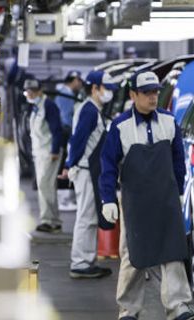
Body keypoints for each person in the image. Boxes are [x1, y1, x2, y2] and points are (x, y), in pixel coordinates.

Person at [98, 70, 194, 320]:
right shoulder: (120, 126)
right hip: (134, 200)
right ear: (133, 95)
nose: (153, 97)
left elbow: (178, 159)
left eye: (155, 92)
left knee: (173, 252)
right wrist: (108, 199)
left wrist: (178, 189)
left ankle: (178, 306)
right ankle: (128, 309)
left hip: (166, 198)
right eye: (146, 93)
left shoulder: (168, 122)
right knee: (133, 255)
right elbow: (107, 165)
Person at [64, 70, 117, 279]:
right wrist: (70, 164)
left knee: (89, 217)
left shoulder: (93, 109)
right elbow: (78, 141)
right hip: (85, 170)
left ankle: (87, 260)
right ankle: (80, 263)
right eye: (107, 89)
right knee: (86, 218)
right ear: (94, 88)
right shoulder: (89, 111)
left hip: (89, 170)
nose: (109, 94)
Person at [23, 78, 64, 233]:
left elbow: (57, 130)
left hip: (49, 153)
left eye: (33, 92)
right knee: (45, 186)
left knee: (44, 185)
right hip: (40, 153)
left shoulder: (48, 106)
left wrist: (54, 150)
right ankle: (53, 221)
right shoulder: (35, 107)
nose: (30, 94)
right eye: (28, 92)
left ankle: (49, 221)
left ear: (40, 91)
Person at [55, 70, 83, 138]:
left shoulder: (66, 93)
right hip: (65, 130)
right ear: (75, 80)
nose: (81, 84)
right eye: (79, 81)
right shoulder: (66, 95)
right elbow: (66, 116)